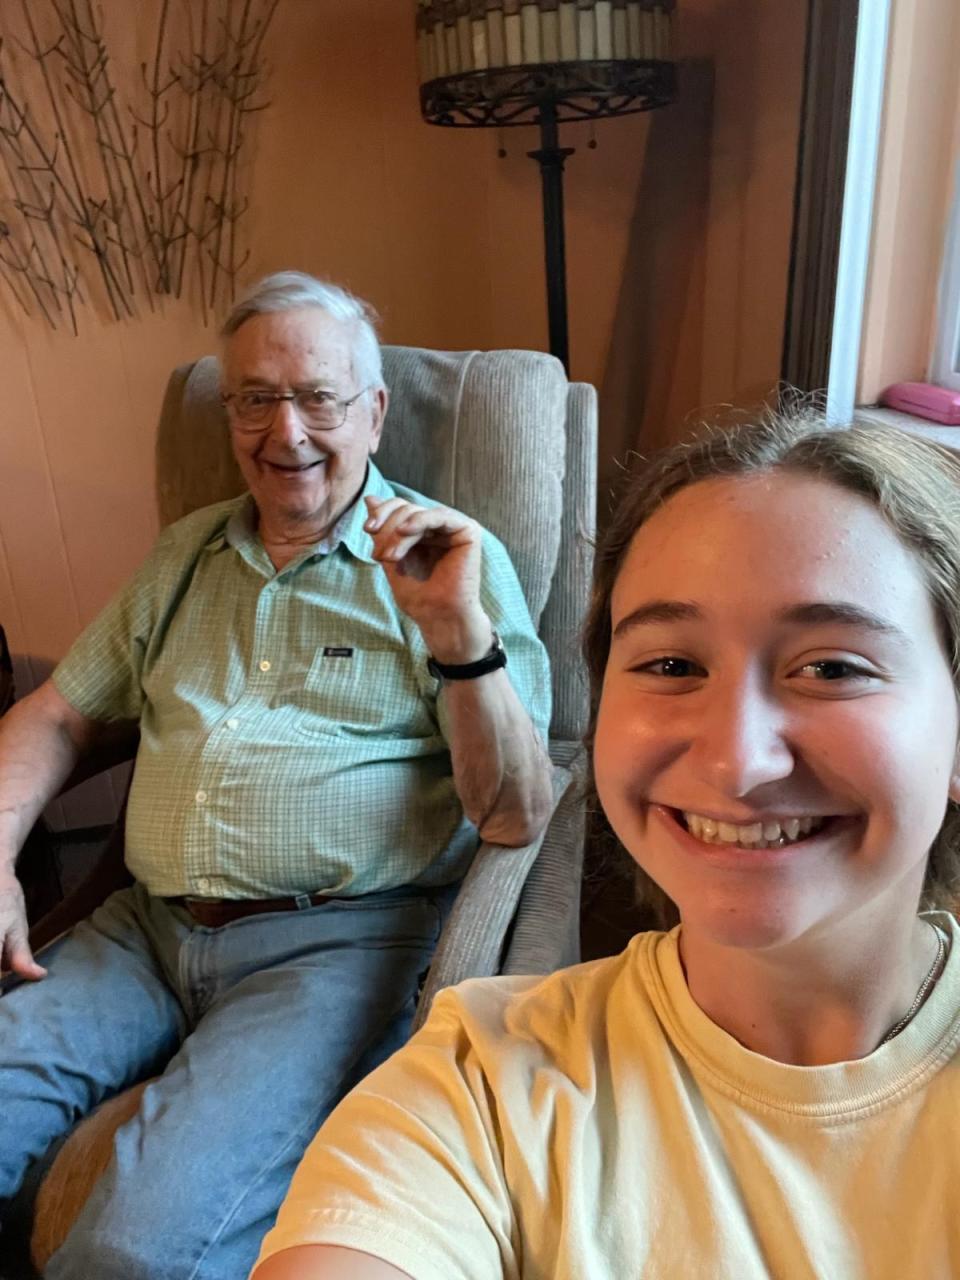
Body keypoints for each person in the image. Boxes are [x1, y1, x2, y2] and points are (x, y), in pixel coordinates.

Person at [252, 411, 960, 1280]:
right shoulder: (480, 1086)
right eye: (671, 666)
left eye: (832, 668)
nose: (737, 761)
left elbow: (512, 805)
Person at [0, 271, 553, 1279]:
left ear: (373, 412)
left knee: (133, 1251)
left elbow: (516, 813)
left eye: (318, 398)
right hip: (142, 930)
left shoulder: (445, 564)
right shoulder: (186, 553)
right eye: (255, 398)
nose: (285, 431)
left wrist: (457, 637)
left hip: (331, 947)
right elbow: (57, 710)